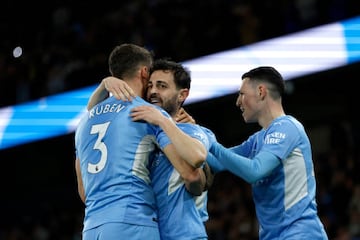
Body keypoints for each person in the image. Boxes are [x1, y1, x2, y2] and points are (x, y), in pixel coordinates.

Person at [74, 44, 208, 240]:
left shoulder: (83, 123)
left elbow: (84, 193)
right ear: (145, 72)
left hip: (92, 228)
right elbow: (190, 173)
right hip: (133, 223)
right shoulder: (146, 112)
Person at [208, 66, 329, 239]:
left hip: (300, 233)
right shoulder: (258, 139)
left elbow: (254, 171)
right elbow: (215, 162)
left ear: (261, 91)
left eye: (242, 94)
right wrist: (188, 133)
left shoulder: (287, 127)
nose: (238, 102)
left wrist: (210, 142)